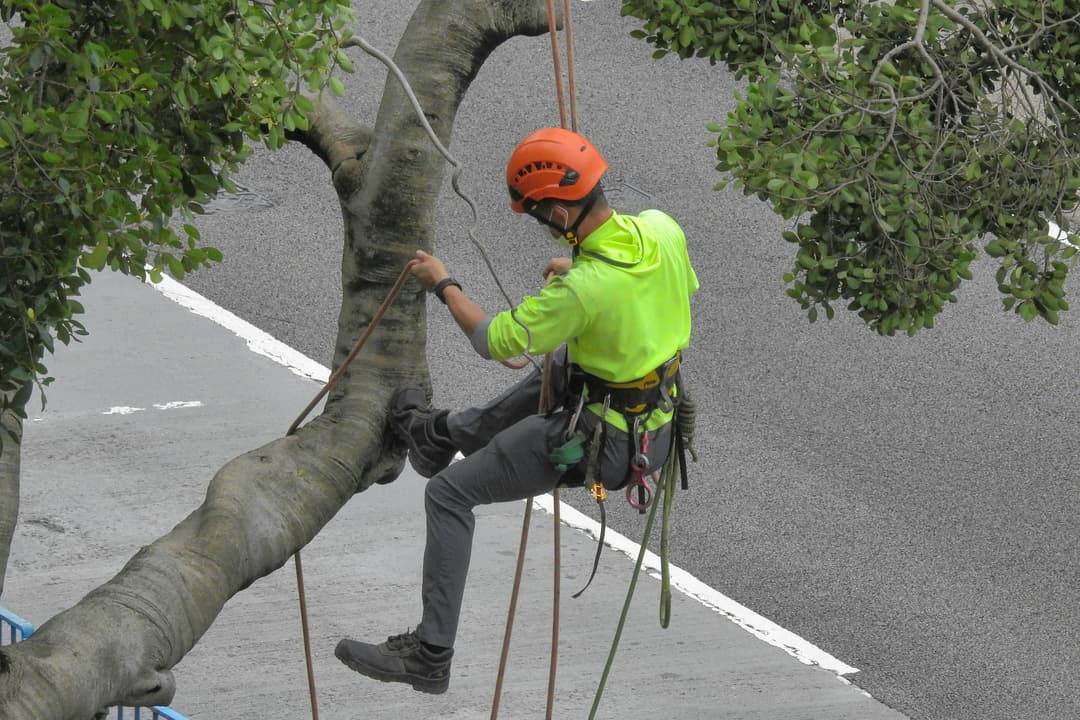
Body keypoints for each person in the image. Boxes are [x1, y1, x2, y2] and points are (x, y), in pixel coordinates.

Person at [334, 127, 699, 694]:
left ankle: (430, 655)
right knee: (558, 371)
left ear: (558, 210)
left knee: (449, 494)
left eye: (540, 216)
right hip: (652, 417)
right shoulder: (661, 228)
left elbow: (494, 341)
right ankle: (438, 436)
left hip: (606, 443)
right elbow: (646, 294)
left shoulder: (586, 290)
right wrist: (579, 275)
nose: (542, 224)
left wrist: (444, 283)